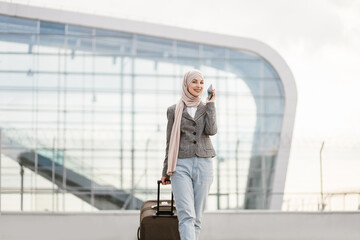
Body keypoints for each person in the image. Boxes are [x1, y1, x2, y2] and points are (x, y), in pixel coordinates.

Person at [161, 69, 217, 240]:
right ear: (186, 84)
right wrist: (165, 171)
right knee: (186, 215)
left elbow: (211, 131)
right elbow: (170, 141)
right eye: (194, 82)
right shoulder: (173, 110)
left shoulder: (206, 108)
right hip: (180, 165)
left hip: (204, 163)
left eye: (201, 82)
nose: (198, 86)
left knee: (197, 218)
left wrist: (211, 105)